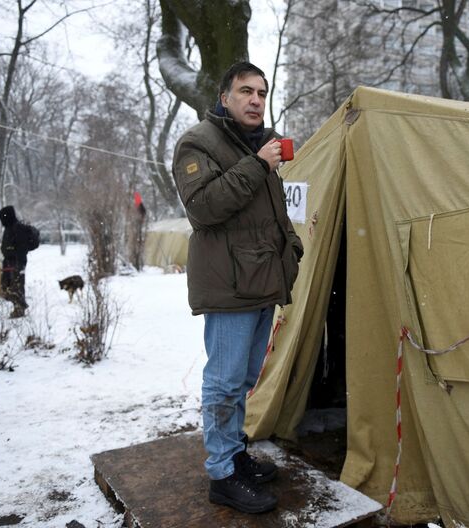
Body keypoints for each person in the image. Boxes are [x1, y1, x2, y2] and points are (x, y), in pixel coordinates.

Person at [172, 61, 304, 514]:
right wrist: (257, 164)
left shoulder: (256, 145)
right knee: (224, 383)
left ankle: (234, 454)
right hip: (229, 286)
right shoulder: (197, 142)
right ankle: (222, 474)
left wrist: (293, 248)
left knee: (243, 380)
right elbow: (204, 208)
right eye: (245, 91)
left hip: (261, 281)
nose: (255, 100)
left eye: (262, 93)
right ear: (224, 97)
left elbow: (269, 213)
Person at [0, 205, 37, 318]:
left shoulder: (18, 228)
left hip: (16, 263)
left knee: (16, 286)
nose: (2, 220)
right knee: (6, 286)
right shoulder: (9, 228)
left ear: (8, 216)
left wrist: (15, 258)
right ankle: (20, 305)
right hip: (8, 262)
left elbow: (21, 247)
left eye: (3, 217)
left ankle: (19, 308)